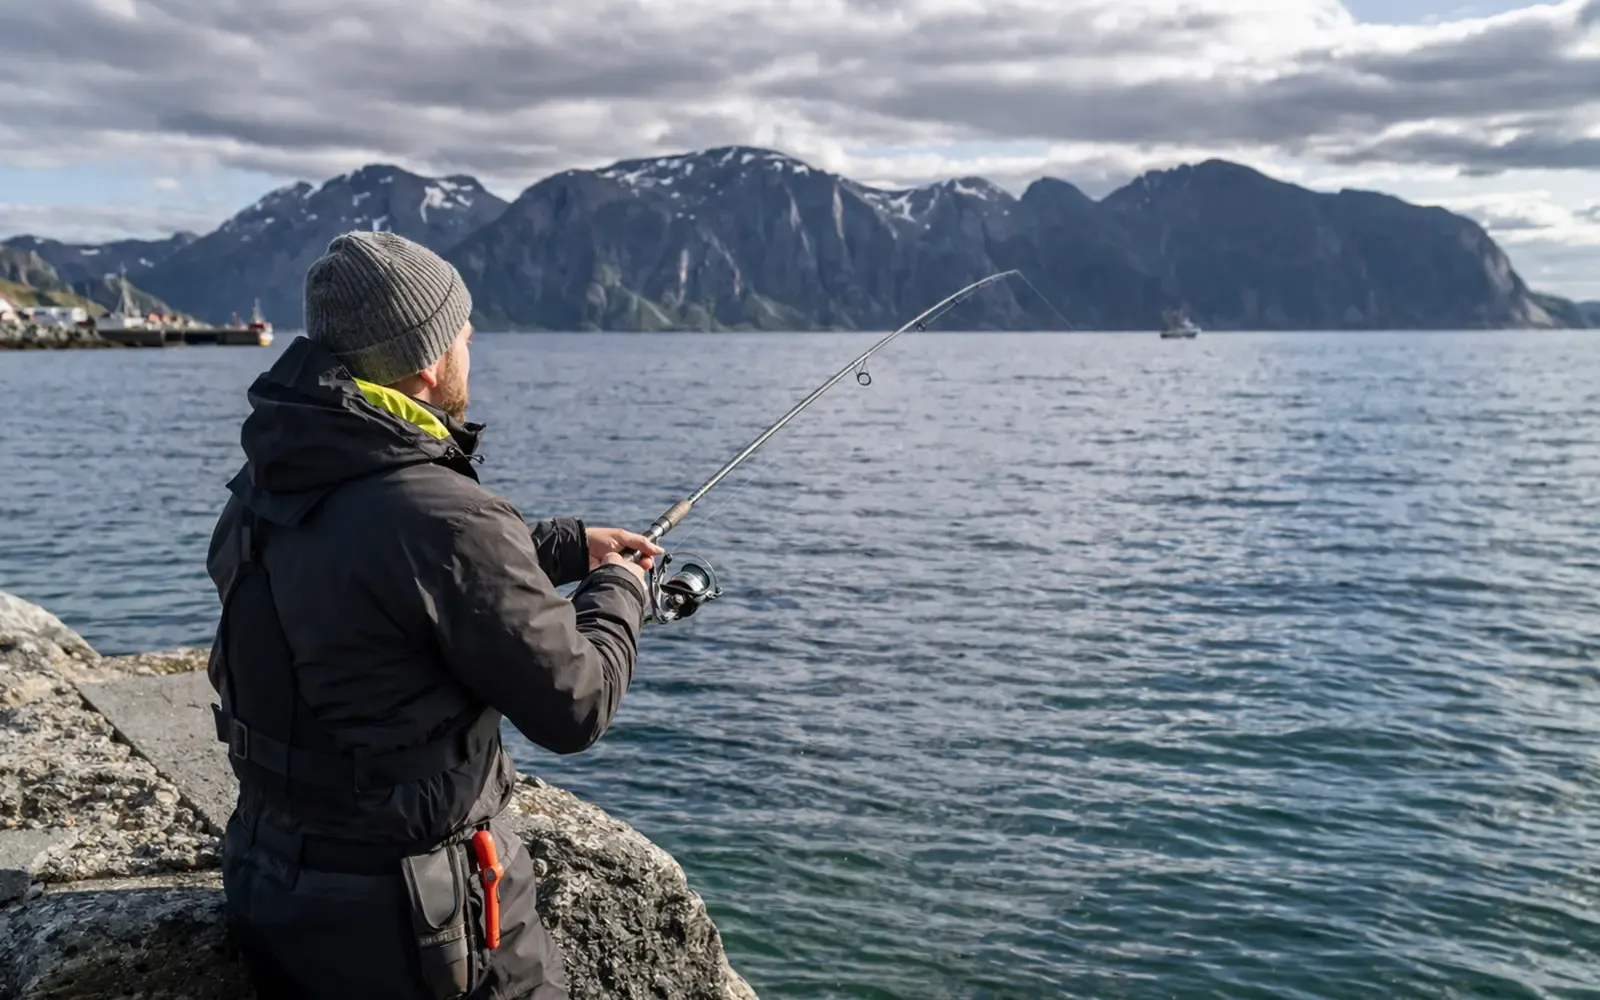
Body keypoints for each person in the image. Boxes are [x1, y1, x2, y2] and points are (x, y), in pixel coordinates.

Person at [204, 230, 664, 999]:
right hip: (419, 917)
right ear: (427, 363)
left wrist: (565, 544)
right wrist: (619, 590)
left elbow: (382, 565)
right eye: (465, 334)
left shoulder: (269, 480)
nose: (473, 347)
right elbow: (574, 703)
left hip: (273, 874)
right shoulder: (442, 517)